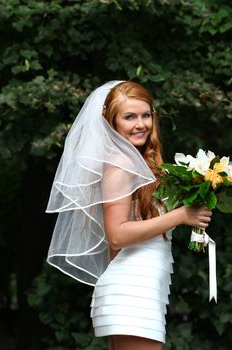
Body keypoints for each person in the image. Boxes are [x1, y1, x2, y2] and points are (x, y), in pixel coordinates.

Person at [46, 81, 212, 350]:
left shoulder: (138, 161)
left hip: (142, 287)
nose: (141, 124)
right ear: (111, 122)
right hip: (131, 290)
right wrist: (181, 215)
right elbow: (117, 234)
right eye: (129, 117)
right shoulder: (119, 166)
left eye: (146, 115)